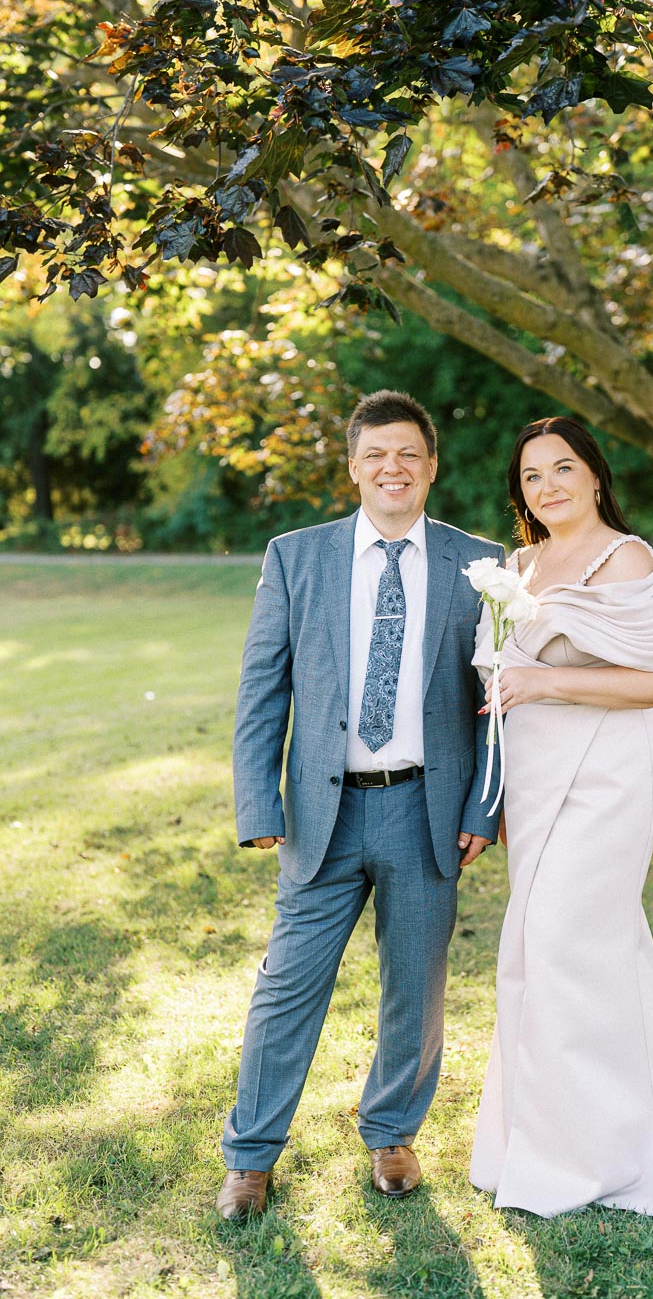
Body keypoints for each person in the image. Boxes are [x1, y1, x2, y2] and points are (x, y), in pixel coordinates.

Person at [216, 390, 502, 1221]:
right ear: (353, 468)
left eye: (409, 454)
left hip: (426, 809)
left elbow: (497, 701)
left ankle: (392, 1134)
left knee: (416, 983)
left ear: (432, 467)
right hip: (320, 815)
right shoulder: (295, 557)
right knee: (289, 984)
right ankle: (250, 1156)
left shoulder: (478, 566)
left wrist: (484, 808)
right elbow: (262, 688)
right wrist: (256, 801)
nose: (394, 468)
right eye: (377, 454)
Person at [469, 416, 653, 1218]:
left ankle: (599, 1159)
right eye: (533, 476)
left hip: (608, 776)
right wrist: (494, 792)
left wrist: (544, 685)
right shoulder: (519, 564)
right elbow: (498, 682)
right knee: (552, 949)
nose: (549, 487)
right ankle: (563, 1136)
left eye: (564, 468)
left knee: (570, 940)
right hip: (535, 781)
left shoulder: (628, 559)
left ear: (595, 476)